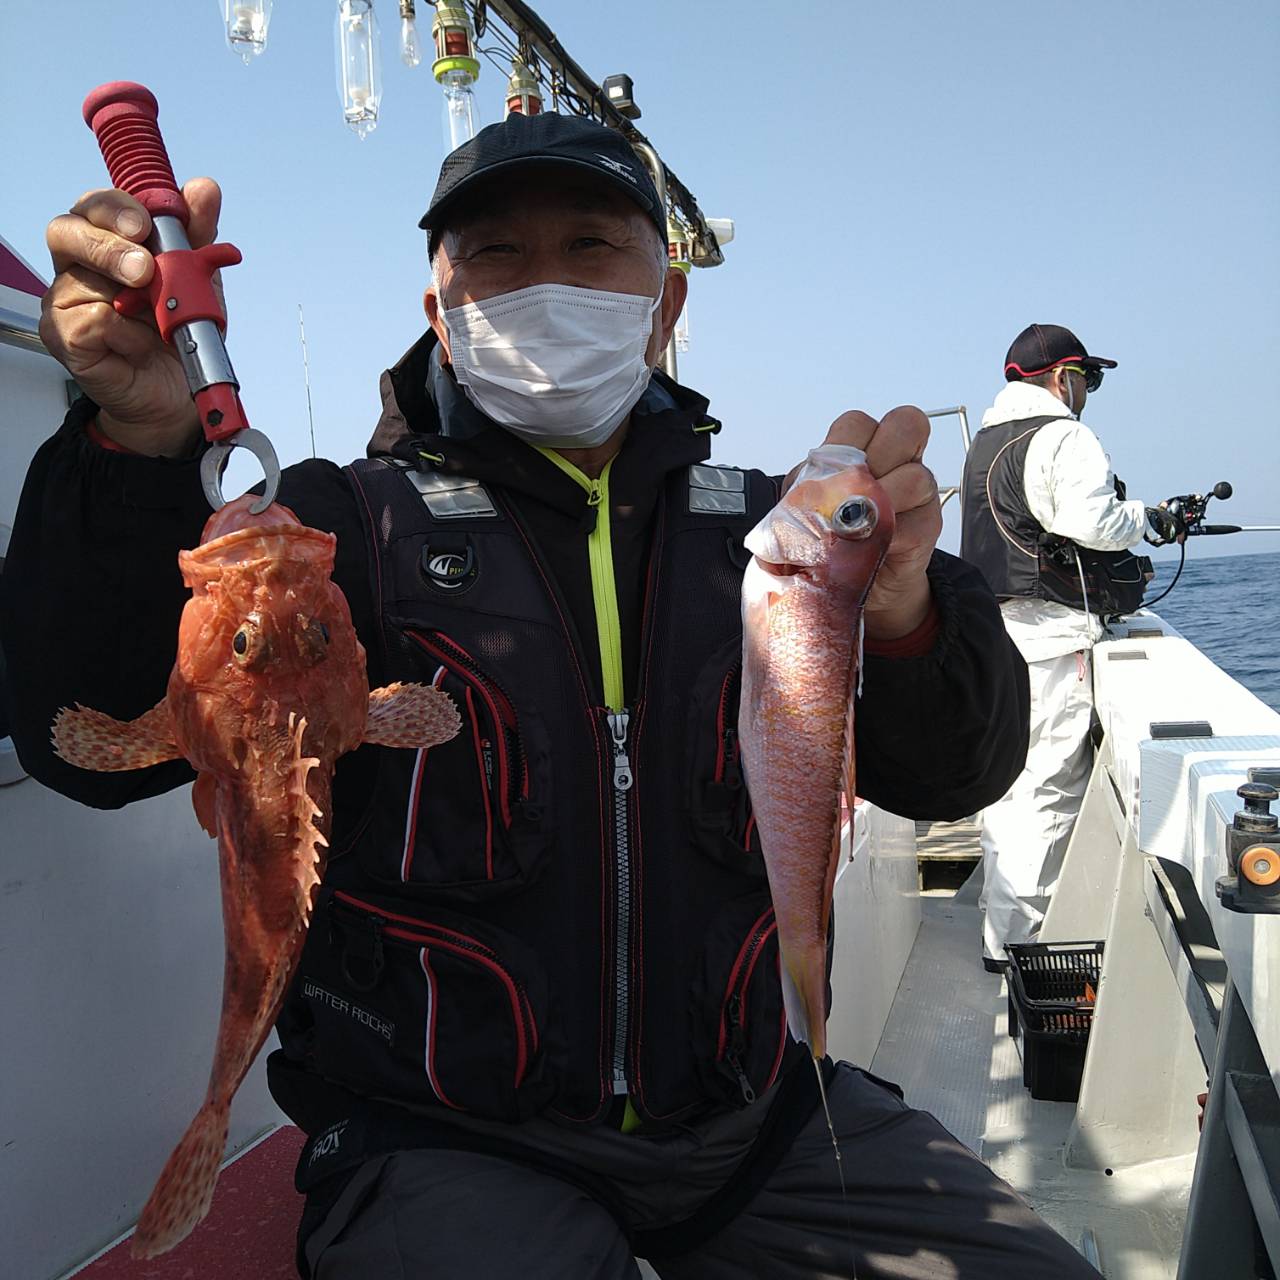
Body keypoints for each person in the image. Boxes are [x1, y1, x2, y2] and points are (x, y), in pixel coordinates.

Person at [3, 114, 1102, 1279]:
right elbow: (84, 731)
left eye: (589, 245)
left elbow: (954, 774)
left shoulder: (773, 533)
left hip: (756, 1118)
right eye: (494, 254)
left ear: (665, 303)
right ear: (439, 310)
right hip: (442, 1139)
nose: (543, 284)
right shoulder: (335, 530)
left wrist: (901, 608)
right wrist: (136, 444)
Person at [960, 323, 1182, 970]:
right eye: (1089, 378)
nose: (1088, 391)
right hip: (1052, 640)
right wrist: (1150, 519)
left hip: (998, 636)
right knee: (1048, 794)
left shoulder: (987, 443)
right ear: (1063, 377)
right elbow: (1093, 522)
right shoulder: (1064, 436)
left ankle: (1003, 935)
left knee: (1011, 788)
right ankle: (1026, 949)